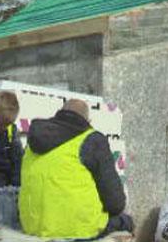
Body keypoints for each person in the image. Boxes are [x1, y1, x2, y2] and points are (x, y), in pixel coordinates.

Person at [19, 98, 133, 240]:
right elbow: (115, 203)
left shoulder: (33, 140)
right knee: (126, 221)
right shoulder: (92, 139)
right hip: (78, 230)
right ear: (87, 120)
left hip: (33, 227)